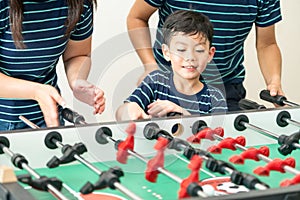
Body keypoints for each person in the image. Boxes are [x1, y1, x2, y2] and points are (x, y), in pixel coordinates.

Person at [127, 0, 283, 111]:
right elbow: (137, 18)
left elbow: (267, 44)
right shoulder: (154, 85)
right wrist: (150, 65)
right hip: (169, 85)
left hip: (224, 87)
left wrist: (274, 80)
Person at [0, 0, 105, 131]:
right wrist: (36, 91)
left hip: (49, 117)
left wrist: (77, 81)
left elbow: (77, 55)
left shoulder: (79, 3)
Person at [116, 10, 227, 121]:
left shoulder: (215, 98)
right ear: (166, 52)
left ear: (210, 54)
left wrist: (182, 112)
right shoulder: (155, 82)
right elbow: (120, 114)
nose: (190, 57)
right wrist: (130, 108)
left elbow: (217, 134)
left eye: (199, 50)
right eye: (181, 49)